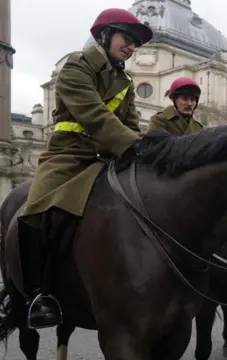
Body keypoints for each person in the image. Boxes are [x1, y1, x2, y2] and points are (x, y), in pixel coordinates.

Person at [17, 8, 153, 329]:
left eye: (136, 43)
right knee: (34, 212)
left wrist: (147, 151)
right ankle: (36, 295)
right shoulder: (76, 66)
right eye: (127, 39)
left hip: (108, 158)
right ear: (104, 35)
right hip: (68, 156)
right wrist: (134, 145)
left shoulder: (124, 80)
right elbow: (93, 115)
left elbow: (130, 123)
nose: (132, 47)